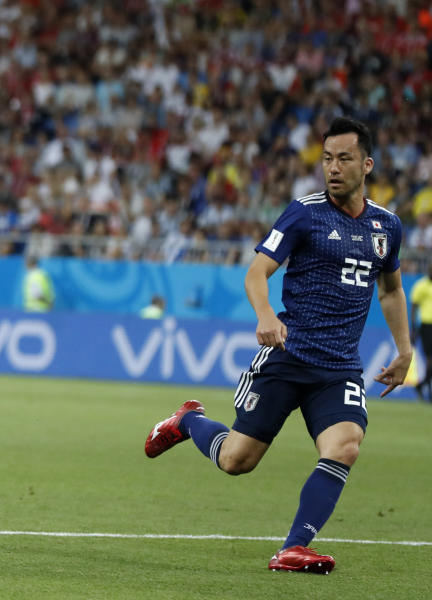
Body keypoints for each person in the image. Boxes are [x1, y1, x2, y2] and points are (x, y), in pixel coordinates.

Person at [144, 117, 411, 574]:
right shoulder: (304, 212)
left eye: (344, 158)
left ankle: (293, 547)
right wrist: (266, 316)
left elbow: (389, 289)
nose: (333, 167)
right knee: (236, 461)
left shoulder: (387, 227)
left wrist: (404, 350)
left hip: (340, 368)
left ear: (366, 165)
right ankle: (189, 421)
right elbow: (256, 273)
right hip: (288, 357)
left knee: (345, 446)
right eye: (327, 158)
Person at [409, 263, 432, 401]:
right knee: (430, 359)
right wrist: (413, 328)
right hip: (427, 325)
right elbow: (414, 307)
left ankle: (421, 385)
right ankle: (425, 388)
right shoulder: (421, 285)